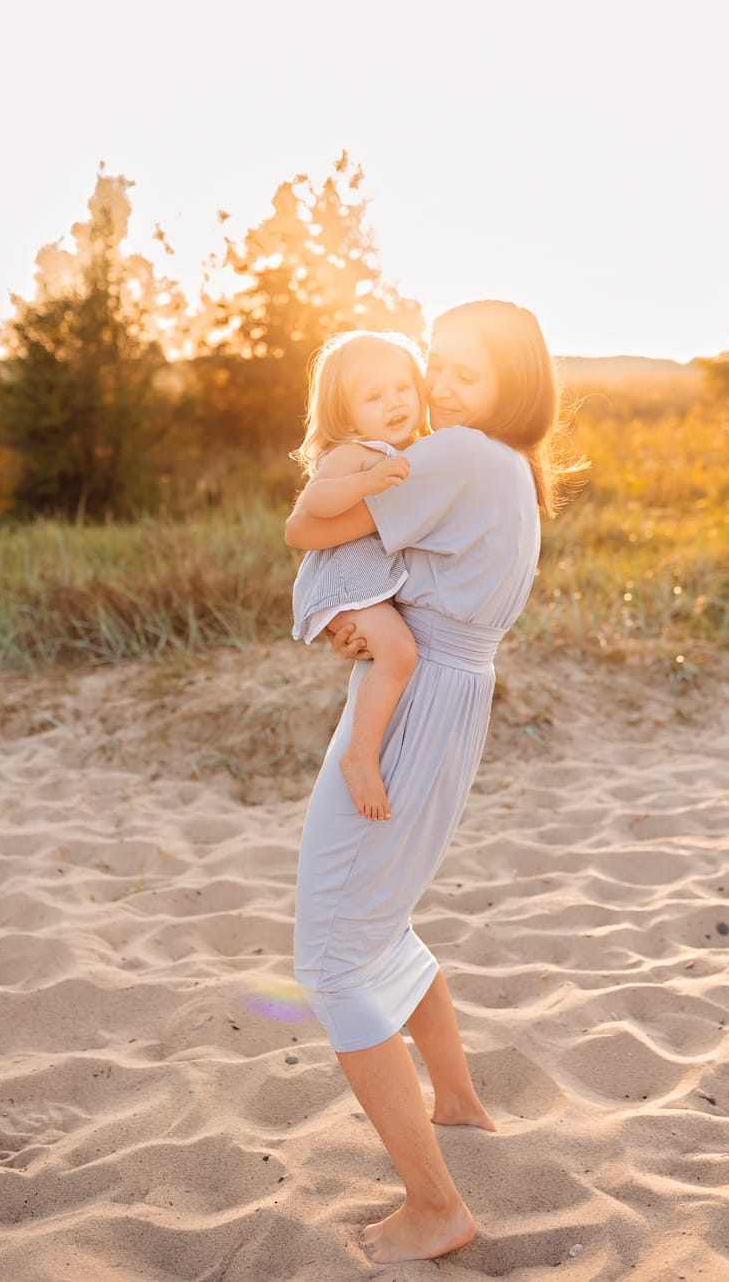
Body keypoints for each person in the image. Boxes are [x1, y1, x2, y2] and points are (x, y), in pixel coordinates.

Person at [286, 300, 575, 1265]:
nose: (439, 389)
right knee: (382, 914)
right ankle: (457, 1101)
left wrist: (352, 607)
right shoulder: (510, 468)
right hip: (452, 697)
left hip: (414, 707)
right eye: (433, 367)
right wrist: (370, 620)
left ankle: (434, 1203)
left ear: (512, 386)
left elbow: (316, 521)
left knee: (332, 953)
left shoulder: (459, 457)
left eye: (462, 374)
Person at [290, 330, 429, 821]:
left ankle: (369, 746)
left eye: (402, 388)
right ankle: (360, 755)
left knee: (393, 653)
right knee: (399, 652)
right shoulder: (356, 452)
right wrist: (365, 482)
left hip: (370, 578)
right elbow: (313, 504)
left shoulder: (414, 449)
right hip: (346, 581)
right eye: (374, 396)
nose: (394, 402)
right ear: (347, 416)